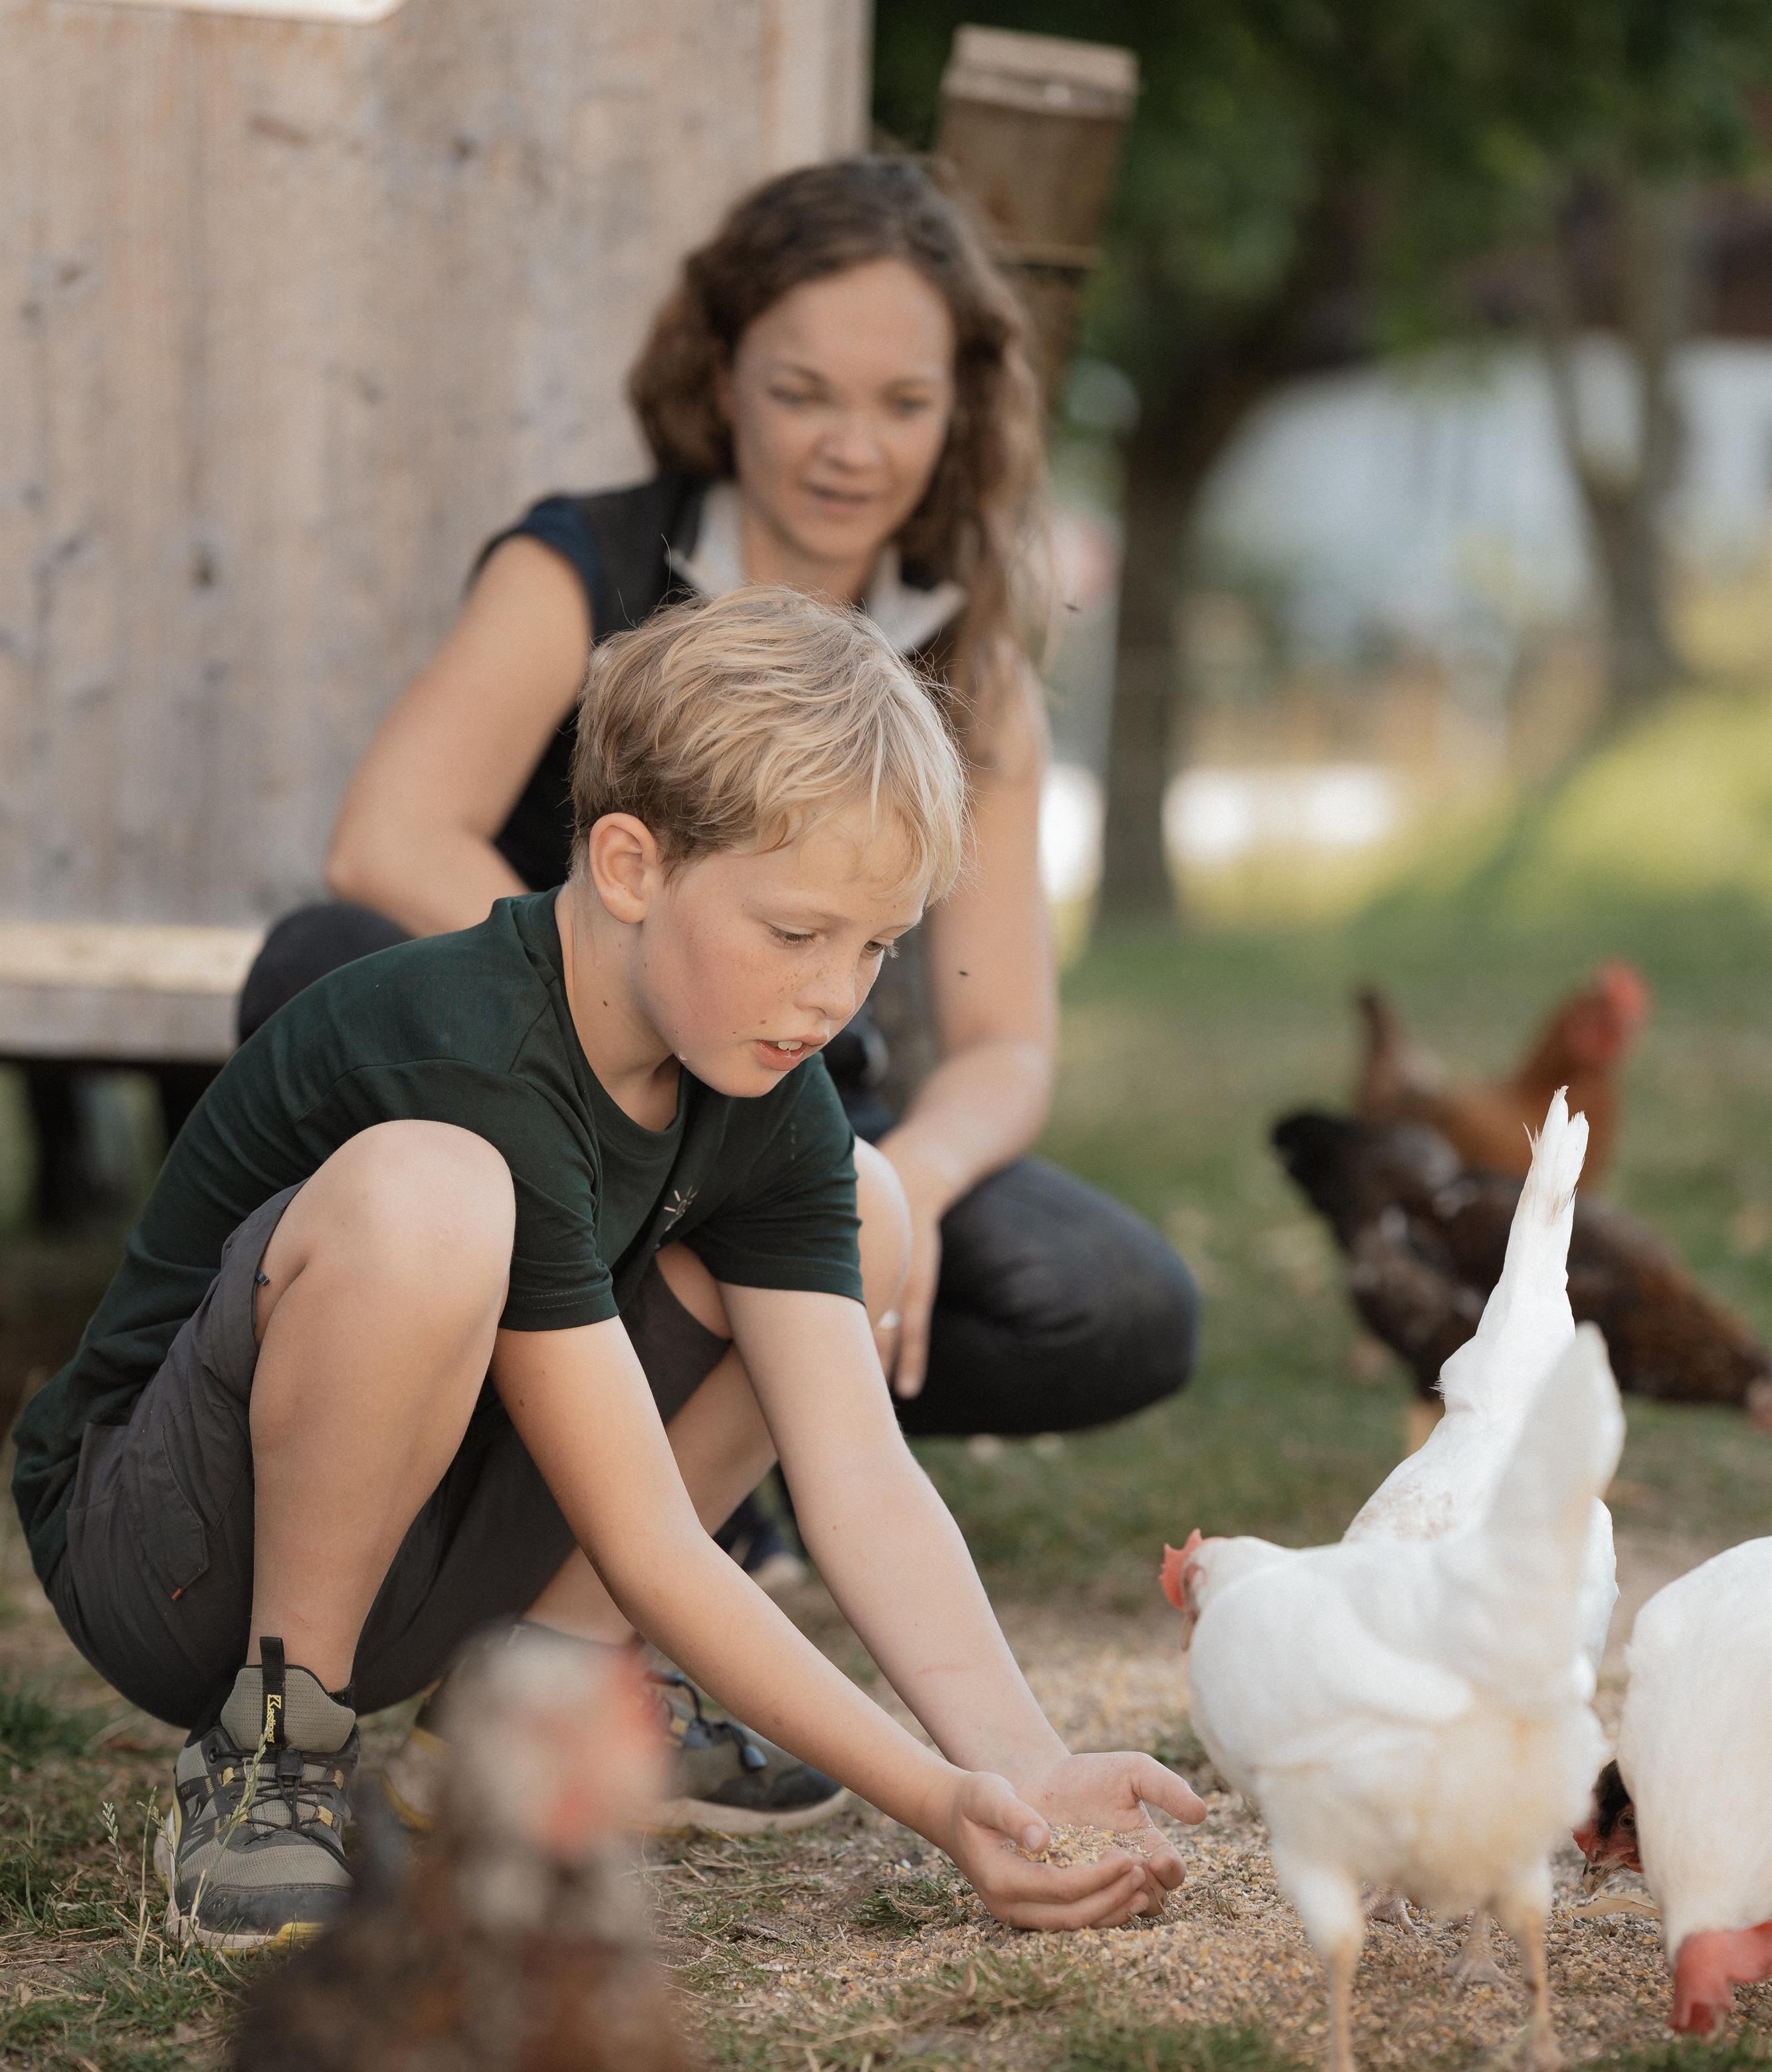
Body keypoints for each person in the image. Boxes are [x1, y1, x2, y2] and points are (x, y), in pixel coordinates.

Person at [12, 589, 1204, 1953]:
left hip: (424, 1552)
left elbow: (859, 1476)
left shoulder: (767, 1080)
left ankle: (525, 1702)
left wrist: (1024, 1767)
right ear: (630, 866)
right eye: (797, 933)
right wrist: (937, 1802)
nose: (835, 997)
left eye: (877, 947)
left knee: (869, 1204)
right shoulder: (471, 1044)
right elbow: (647, 1535)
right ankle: (273, 1746)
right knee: (434, 1200)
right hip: (168, 1554)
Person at [248, 155, 1197, 1464]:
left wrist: (903, 1193)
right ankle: (524, 1409)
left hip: (781, 1114)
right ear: (718, 379)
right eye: (802, 393)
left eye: (904, 402)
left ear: (961, 412)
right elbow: (387, 839)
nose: (851, 448)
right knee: (318, 965)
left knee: (1117, 1301)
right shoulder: (581, 560)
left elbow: (1005, 1045)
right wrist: (627, 1013)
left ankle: (744, 1439)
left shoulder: (973, 654)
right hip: (544, 1088)